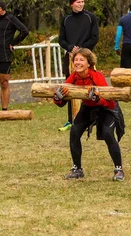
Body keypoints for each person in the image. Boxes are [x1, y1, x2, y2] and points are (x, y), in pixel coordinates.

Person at [53, 48, 126, 181]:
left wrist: (98, 99)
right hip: (87, 108)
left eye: (82, 60)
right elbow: (62, 102)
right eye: (76, 60)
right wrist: (58, 98)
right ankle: (77, 169)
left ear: (89, 63)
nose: (78, 63)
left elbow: (110, 102)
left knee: (108, 134)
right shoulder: (73, 77)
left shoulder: (96, 76)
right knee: (74, 132)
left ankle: (119, 169)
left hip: (106, 109)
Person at [58, 0, 99, 131]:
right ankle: (71, 119)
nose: (81, 4)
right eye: (78, 2)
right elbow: (61, 39)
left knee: (91, 87)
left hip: (86, 57)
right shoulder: (66, 20)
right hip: (69, 58)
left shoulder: (90, 17)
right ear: (71, 4)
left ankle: (93, 118)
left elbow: (94, 37)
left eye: (82, 2)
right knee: (69, 87)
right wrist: (70, 48)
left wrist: (81, 51)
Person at [0, 0, 29, 111]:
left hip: (4, 56)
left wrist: (13, 42)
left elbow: (24, 31)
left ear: (0, 9)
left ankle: (4, 109)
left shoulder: (11, 19)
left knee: (4, 83)